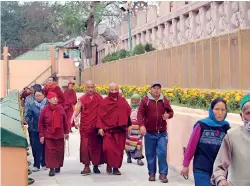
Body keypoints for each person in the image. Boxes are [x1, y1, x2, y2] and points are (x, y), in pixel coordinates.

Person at [181, 98, 230, 186]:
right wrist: (185, 164)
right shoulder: (202, 125)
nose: (220, 113)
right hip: (201, 169)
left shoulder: (226, 127)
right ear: (211, 110)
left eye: (223, 110)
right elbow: (191, 146)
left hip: (219, 172)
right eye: (217, 109)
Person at [137, 82, 174, 183]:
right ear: (151, 89)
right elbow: (140, 114)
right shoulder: (145, 101)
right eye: (154, 88)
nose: (156, 90)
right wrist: (141, 125)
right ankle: (152, 173)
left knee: (162, 153)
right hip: (149, 133)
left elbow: (171, 112)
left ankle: (163, 174)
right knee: (150, 154)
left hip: (162, 133)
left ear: (160, 90)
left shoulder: (164, 100)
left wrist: (168, 116)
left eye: (158, 88)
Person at [211, 94, 250, 186]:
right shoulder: (232, 136)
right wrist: (221, 180)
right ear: (242, 116)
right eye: (249, 113)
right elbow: (219, 166)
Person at [97, 82, 131, 175]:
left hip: (120, 130)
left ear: (118, 89)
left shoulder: (123, 101)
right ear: (109, 90)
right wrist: (100, 128)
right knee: (107, 149)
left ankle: (116, 168)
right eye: (112, 90)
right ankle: (109, 164)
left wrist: (129, 125)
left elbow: (127, 113)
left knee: (119, 151)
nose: (114, 91)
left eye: (116, 90)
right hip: (109, 130)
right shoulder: (105, 101)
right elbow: (100, 115)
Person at [71, 80, 104, 175]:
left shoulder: (99, 98)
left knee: (96, 146)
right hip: (85, 126)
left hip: (96, 126)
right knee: (85, 147)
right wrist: (73, 119)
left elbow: (104, 111)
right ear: (86, 88)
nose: (90, 89)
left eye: (92, 87)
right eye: (88, 87)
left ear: (95, 87)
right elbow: (76, 111)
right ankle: (86, 166)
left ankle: (96, 166)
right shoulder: (82, 99)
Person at [38, 91, 69, 177]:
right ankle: (51, 168)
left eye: (56, 98)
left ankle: (57, 166)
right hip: (49, 135)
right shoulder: (45, 109)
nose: (55, 100)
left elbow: (65, 122)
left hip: (59, 134)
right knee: (50, 153)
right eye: (53, 98)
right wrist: (41, 135)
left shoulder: (60, 108)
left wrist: (66, 132)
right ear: (48, 100)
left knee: (59, 152)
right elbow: (41, 124)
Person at [25, 90, 47, 172]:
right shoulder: (31, 104)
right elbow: (28, 115)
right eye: (37, 96)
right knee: (35, 147)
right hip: (34, 128)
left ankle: (44, 163)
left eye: (40, 95)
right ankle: (36, 164)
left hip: (45, 128)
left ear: (43, 95)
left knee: (44, 146)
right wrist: (27, 120)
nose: (38, 97)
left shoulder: (47, 104)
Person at [125, 94, 144, 166]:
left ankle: (139, 159)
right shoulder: (128, 108)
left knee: (138, 144)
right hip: (129, 129)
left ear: (139, 101)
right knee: (128, 143)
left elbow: (143, 118)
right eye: (133, 100)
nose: (134, 101)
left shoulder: (141, 109)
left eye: (136, 100)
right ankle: (129, 156)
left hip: (138, 129)